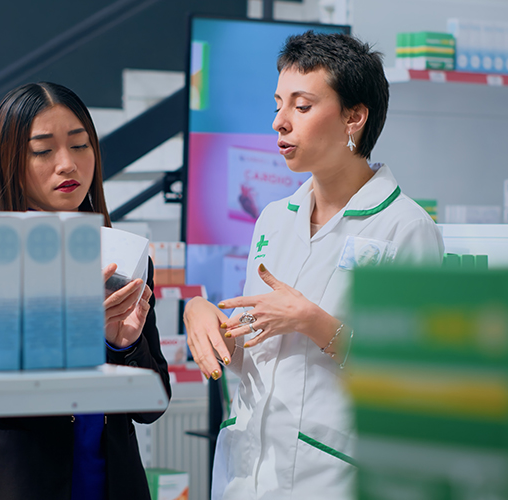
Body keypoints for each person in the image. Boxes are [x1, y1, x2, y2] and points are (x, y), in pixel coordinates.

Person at [184, 31, 444, 499]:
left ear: (354, 117)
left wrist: (316, 324)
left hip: (331, 480)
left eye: (301, 107)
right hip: (248, 474)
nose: (280, 123)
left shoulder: (405, 228)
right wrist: (206, 319)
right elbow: (252, 354)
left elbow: (417, 384)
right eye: (279, 104)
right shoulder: (273, 220)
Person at [0, 82, 171, 500]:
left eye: (80, 146)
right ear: (9, 160)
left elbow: (153, 404)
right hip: (19, 485)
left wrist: (124, 347)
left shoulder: (125, 255)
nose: (68, 164)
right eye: (43, 150)